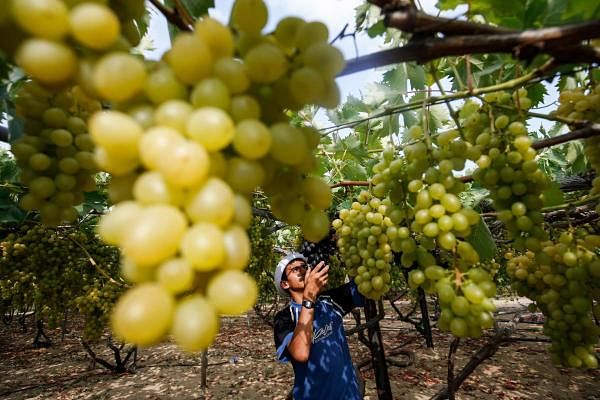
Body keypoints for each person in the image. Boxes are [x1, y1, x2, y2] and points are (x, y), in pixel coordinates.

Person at [273, 252, 365, 400]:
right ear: (285, 284)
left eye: (304, 266)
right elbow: (300, 354)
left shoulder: (330, 300)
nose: (302, 270)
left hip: (350, 396)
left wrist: (347, 248)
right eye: (294, 269)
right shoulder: (284, 318)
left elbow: (363, 286)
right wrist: (309, 298)